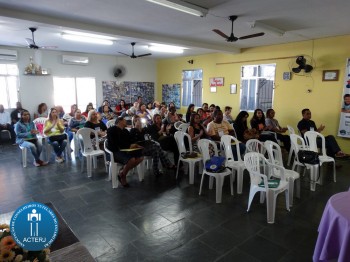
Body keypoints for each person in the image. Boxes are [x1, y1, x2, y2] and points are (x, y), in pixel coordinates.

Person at [107, 116, 144, 187]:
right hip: (115, 152)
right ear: (120, 121)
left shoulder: (125, 131)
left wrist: (135, 145)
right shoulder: (111, 130)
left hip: (126, 150)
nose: (126, 122)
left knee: (141, 157)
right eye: (124, 120)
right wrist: (129, 146)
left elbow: (130, 140)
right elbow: (115, 143)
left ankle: (122, 172)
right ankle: (123, 176)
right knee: (132, 160)